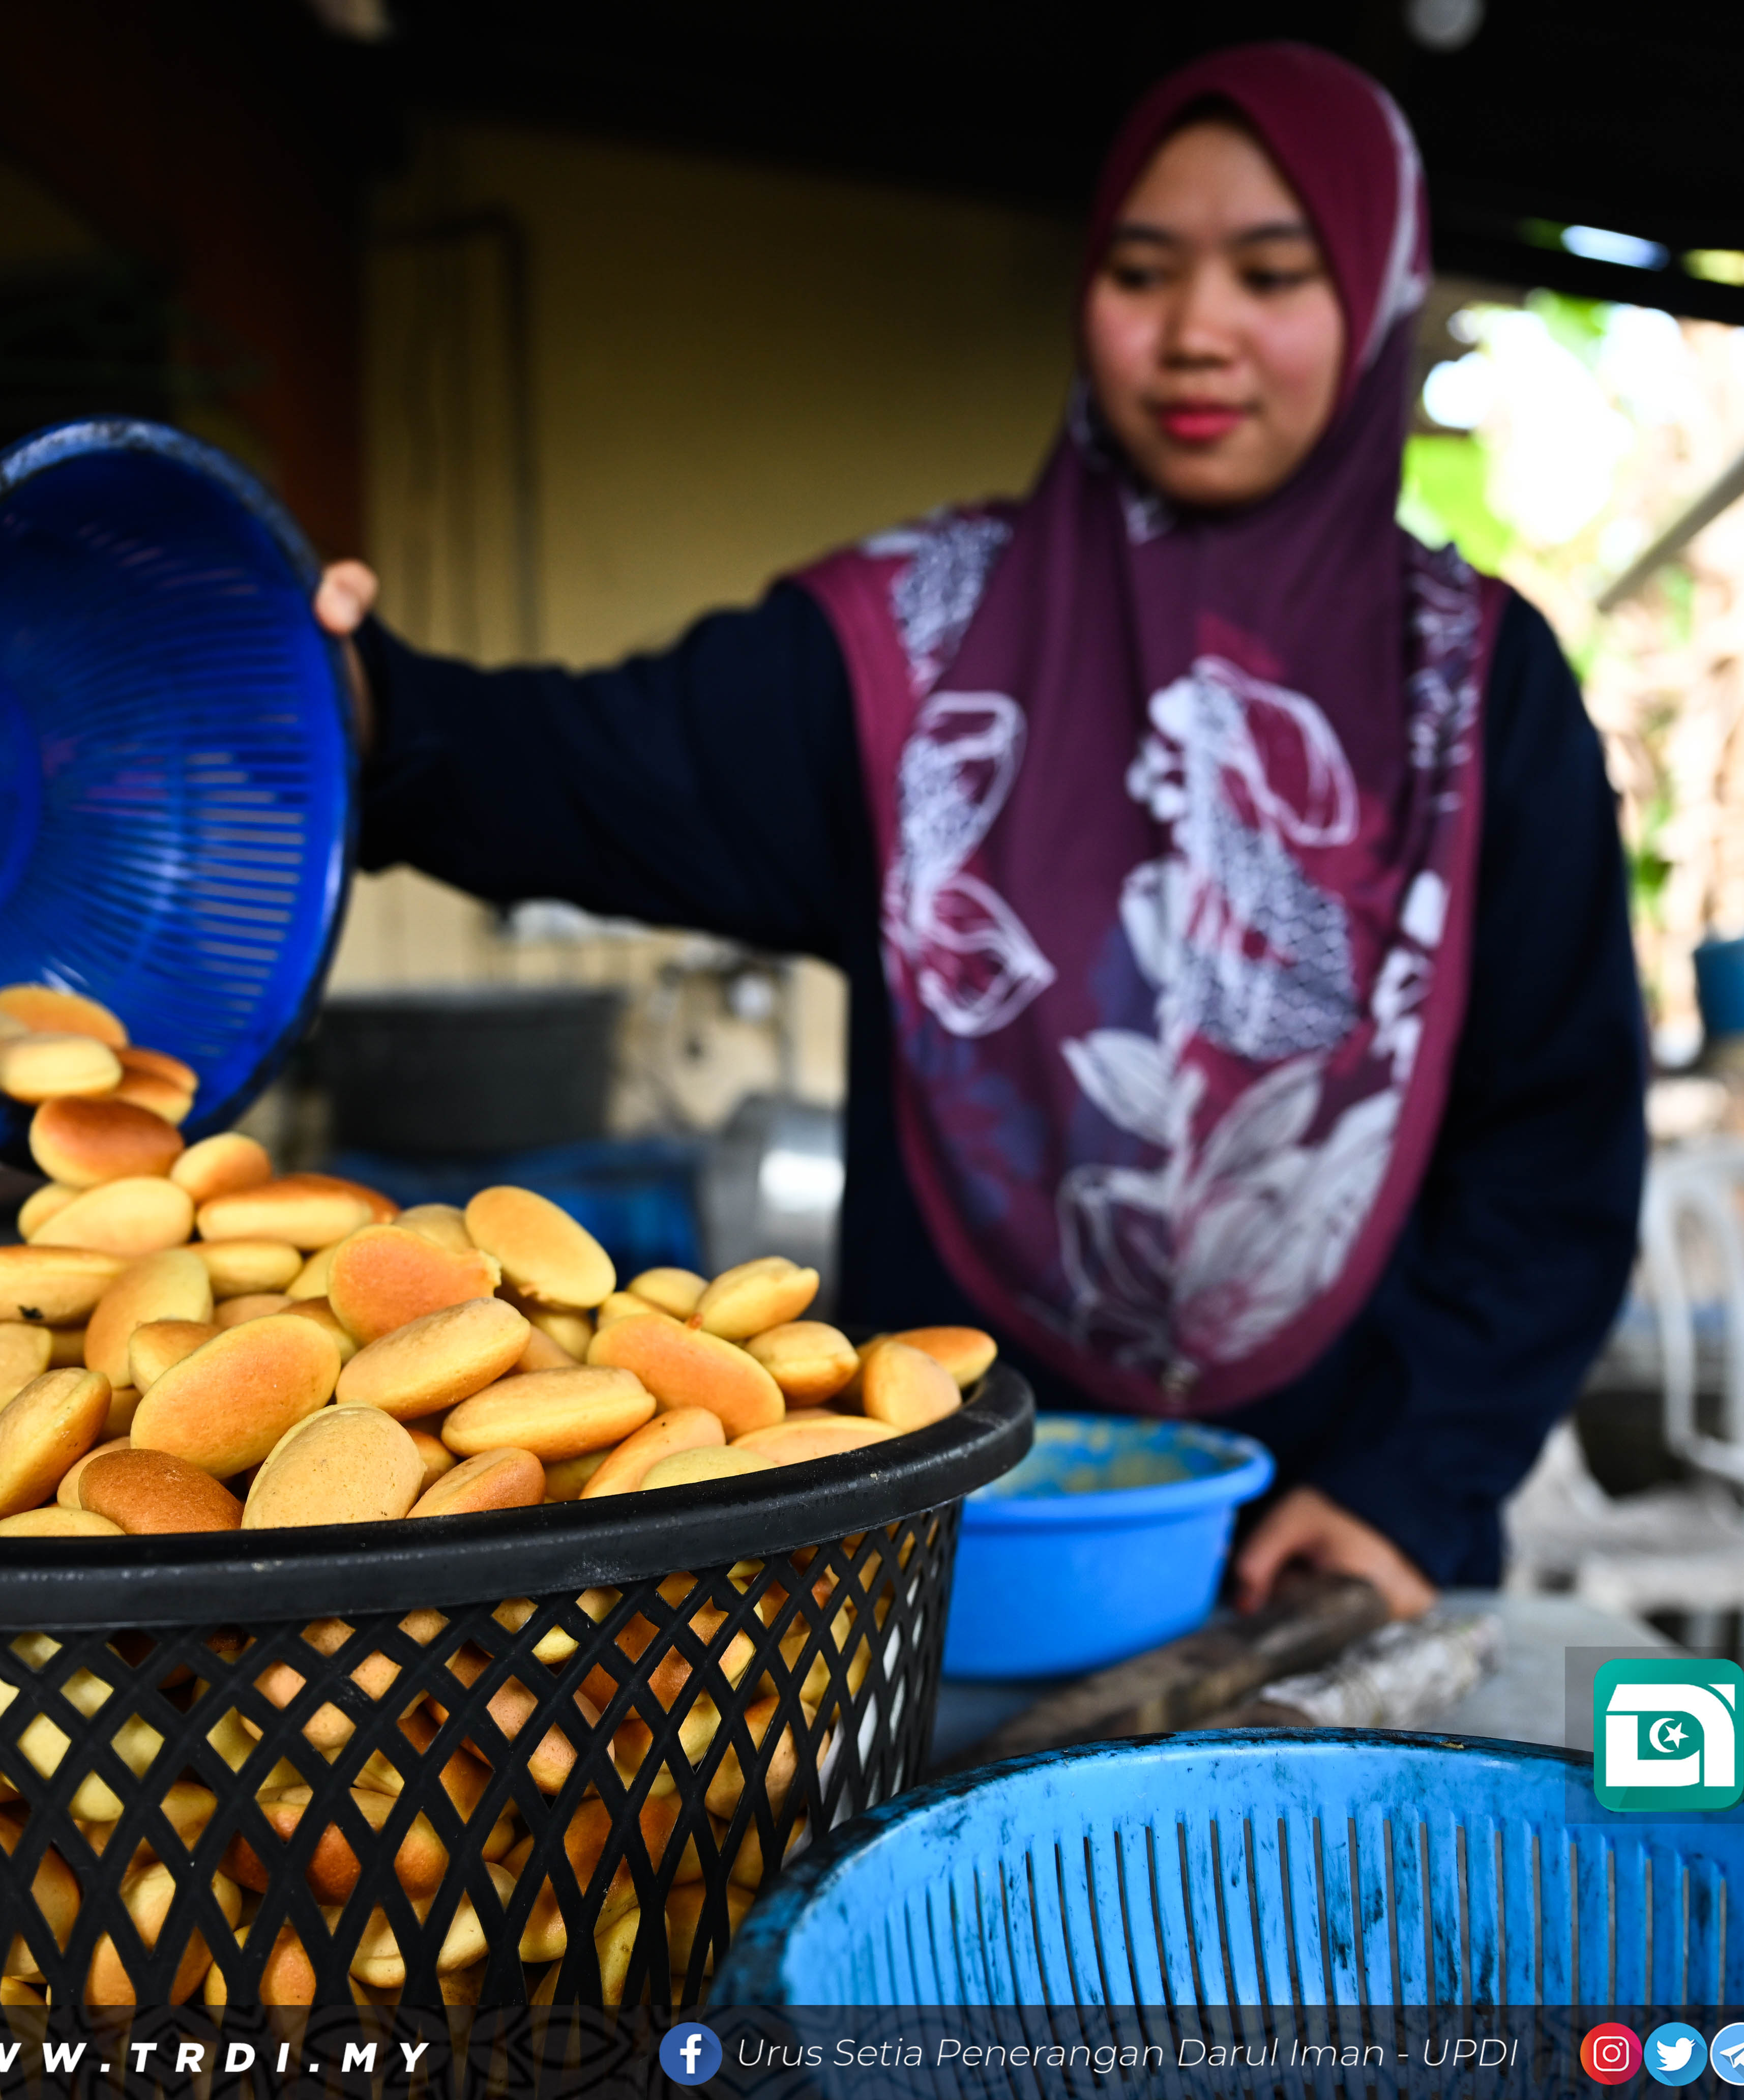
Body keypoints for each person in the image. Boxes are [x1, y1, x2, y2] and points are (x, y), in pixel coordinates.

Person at [312, 43, 1646, 1618]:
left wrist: (1409, 1488)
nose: (1197, 330)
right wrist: (366, 699)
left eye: (1273, 274)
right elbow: (591, 769)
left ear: (1376, 301)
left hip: (1338, 1561)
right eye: (1142, 272)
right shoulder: (912, 650)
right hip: (950, 1563)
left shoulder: (1476, 693)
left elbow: (1556, 1142)